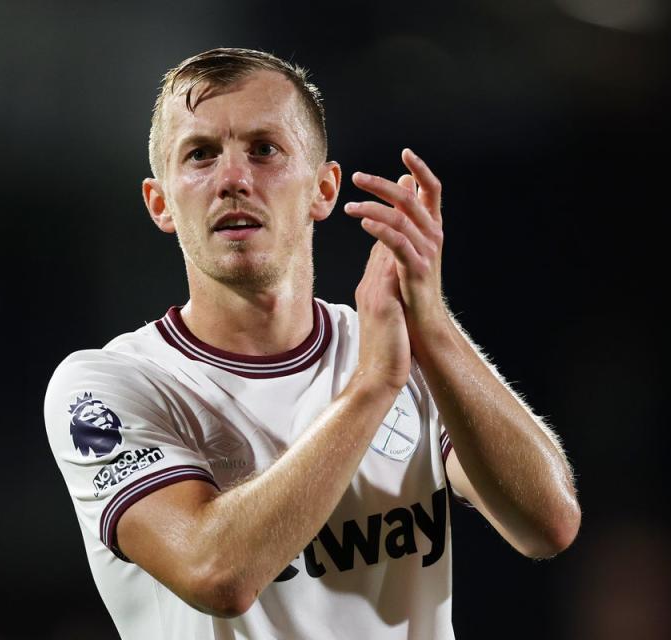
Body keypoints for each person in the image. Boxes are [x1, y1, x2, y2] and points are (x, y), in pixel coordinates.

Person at [44, 47, 581, 639]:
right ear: (161, 202)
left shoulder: (400, 344)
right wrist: (374, 387)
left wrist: (432, 321)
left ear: (323, 190)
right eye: (200, 155)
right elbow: (216, 572)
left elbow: (548, 525)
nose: (233, 180)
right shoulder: (108, 387)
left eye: (264, 149)